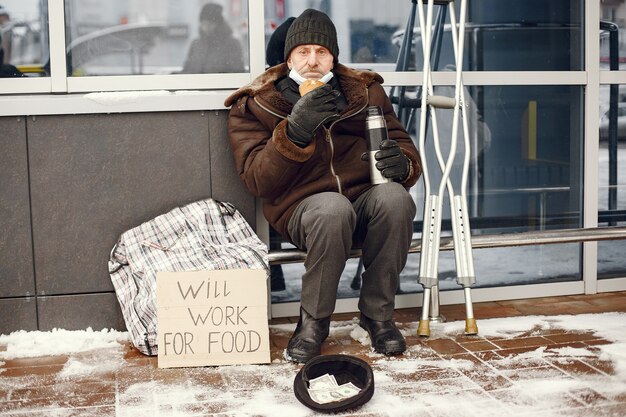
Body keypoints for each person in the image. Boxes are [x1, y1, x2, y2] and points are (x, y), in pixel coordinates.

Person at [224, 9, 421, 363]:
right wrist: (295, 132)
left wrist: (404, 164)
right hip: (302, 207)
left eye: (321, 52)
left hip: (364, 202)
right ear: (289, 59)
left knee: (395, 198)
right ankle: (313, 322)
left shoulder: (364, 92)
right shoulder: (256, 104)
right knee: (332, 208)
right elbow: (257, 179)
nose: (312, 61)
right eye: (303, 52)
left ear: (333, 56)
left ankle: (377, 318)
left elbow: (401, 143)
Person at [181, 3, 245, 74]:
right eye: (203, 23)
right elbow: (187, 70)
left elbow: (237, 73)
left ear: (219, 24)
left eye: (210, 24)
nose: (206, 27)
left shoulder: (232, 44)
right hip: (196, 84)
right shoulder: (195, 44)